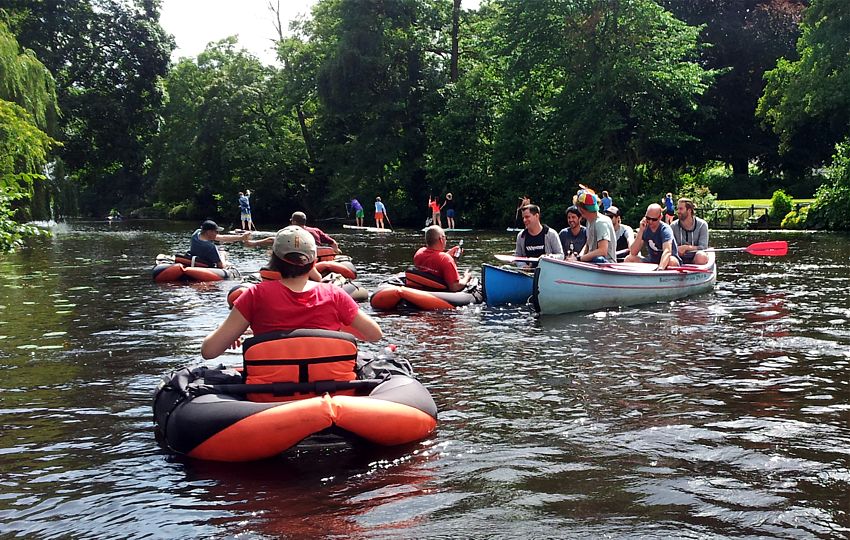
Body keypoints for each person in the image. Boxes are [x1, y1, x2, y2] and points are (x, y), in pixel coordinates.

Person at [201, 226, 382, 359]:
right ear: (313, 264)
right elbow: (375, 335)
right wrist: (339, 325)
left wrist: (224, 330)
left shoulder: (254, 295)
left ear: (274, 261)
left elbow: (209, 352)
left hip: (267, 396)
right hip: (331, 391)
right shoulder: (335, 295)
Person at [414, 225, 471, 292]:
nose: (446, 240)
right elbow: (454, 287)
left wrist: (448, 255)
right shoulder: (446, 259)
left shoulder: (419, 253)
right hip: (440, 294)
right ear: (441, 239)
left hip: (424, 289)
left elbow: (432, 259)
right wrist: (466, 277)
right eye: (445, 237)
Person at [625, 203, 681, 270]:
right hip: (652, 261)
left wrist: (660, 268)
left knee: (671, 261)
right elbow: (633, 252)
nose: (650, 222)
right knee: (629, 259)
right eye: (648, 218)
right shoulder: (644, 228)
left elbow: (667, 251)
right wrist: (641, 231)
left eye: (654, 219)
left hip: (668, 260)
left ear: (660, 217)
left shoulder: (665, 229)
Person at [570, 191, 617, 263]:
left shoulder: (601, 223)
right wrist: (578, 258)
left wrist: (579, 259)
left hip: (606, 265)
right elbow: (588, 244)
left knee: (599, 259)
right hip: (593, 264)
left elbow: (602, 250)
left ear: (581, 209)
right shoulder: (589, 221)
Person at [671, 197, 710, 265]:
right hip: (678, 257)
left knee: (701, 256)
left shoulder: (702, 225)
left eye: (681, 209)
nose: (678, 211)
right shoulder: (673, 226)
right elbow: (669, 247)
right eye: (678, 209)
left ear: (689, 210)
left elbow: (703, 247)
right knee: (670, 259)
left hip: (696, 256)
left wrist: (686, 248)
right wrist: (677, 249)